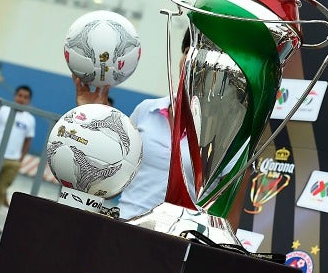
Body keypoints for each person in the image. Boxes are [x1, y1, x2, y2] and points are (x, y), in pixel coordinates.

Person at [74, 27, 245, 229]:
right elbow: (107, 180)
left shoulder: (233, 137)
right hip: (122, 229)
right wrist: (94, 117)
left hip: (176, 246)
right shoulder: (146, 111)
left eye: (204, 57)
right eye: (188, 51)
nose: (192, 63)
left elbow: (229, 221)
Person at [0, 85, 36, 233]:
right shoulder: (3, 111)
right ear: (15, 96)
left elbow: (28, 140)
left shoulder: (30, 119)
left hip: (13, 161)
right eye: (20, 95)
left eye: (25, 97)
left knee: (1, 191)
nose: (22, 99)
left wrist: (20, 159)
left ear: (29, 100)